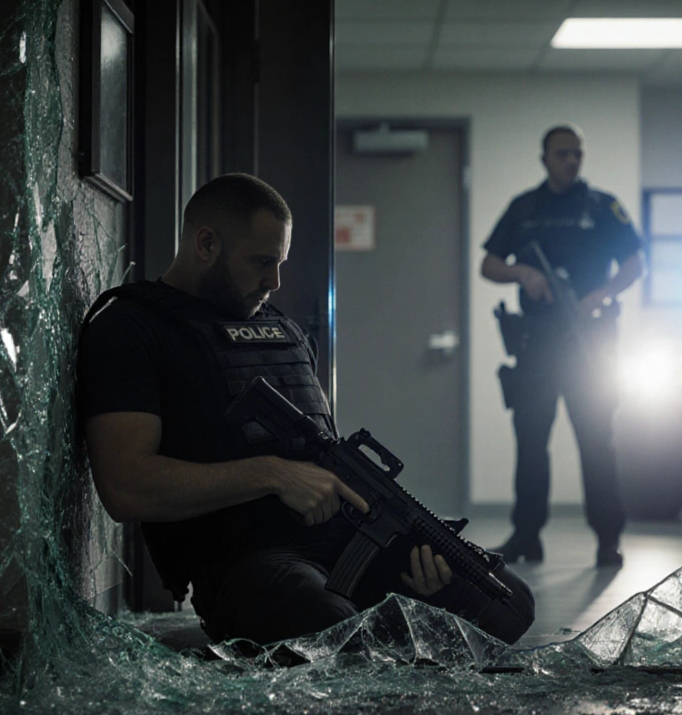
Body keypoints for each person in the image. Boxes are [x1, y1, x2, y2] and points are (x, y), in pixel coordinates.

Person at [78, 173, 534, 646]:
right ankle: (373, 643)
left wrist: (419, 587)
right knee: (328, 627)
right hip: (249, 560)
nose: (274, 282)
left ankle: (383, 637)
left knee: (507, 601)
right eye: (262, 262)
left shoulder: (284, 331)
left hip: (342, 542)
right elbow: (125, 487)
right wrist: (272, 474)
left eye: (280, 263)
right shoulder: (132, 327)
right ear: (207, 244)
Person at [480, 124, 646, 568]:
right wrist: (523, 274)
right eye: (562, 154)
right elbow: (489, 264)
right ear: (545, 159)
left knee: (596, 441)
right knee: (530, 440)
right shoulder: (524, 208)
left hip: (589, 343)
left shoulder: (602, 207)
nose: (571, 161)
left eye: (577, 154)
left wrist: (602, 295)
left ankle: (608, 539)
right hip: (537, 343)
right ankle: (526, 536)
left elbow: (635, 262)